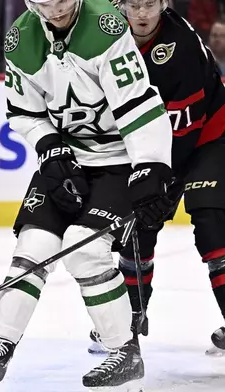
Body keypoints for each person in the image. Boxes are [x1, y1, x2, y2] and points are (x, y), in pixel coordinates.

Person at [0, 0, 174, 390]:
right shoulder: (20, 39)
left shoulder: (106, 27)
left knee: (84, 247)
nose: (55, 9)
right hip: (68, 157)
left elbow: (138, 102)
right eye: (44, 2)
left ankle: (122, 351)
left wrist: (151, 166)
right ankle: (1, 345)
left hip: (118, 157)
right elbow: (24, 111)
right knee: (34, 243)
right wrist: (50, 147)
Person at [87, 0, 225, 357]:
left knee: (211, 221)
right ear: (120, 6)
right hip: (156, 143)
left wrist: (165, 180)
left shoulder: (179, 45)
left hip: (210, 136)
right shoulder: (103, 38)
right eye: (134, 5)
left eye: (151, 3)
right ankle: (131, 318)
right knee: (137, 229)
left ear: (164, 4)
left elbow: (186, 128)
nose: (143, 13)